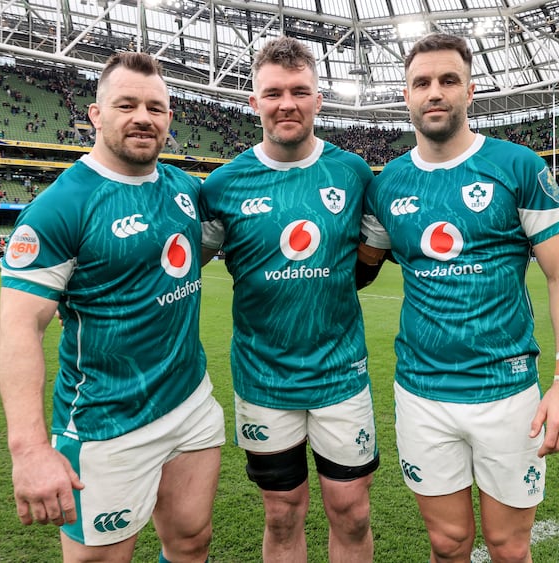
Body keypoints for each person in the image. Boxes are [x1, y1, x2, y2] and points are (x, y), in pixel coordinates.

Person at [360, 33, 559, 562]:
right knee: (448, 543)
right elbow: (359, 268)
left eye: (448, 80)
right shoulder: (387, 184)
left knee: (509, 548)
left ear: (470, 91)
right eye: (422, 82)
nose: (434, 92)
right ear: (406, 95)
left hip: (507, 393)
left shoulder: (518, 167)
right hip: (422, 393)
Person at [0, 52, 225, 563]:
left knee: (192, 541)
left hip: (190, 404)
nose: (143, 116)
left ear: (169, 120)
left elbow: (193, 256)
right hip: (104, 422)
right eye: (126, 104)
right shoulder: (61, 207)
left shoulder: (186, 190)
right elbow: (17, 329)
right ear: (96, 115)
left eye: (155, 107)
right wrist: (30, 449)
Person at [199, 36, 379, 563]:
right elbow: (183, 268)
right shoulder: (224, 185)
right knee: (281, 513)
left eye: (300, 91)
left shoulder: (352, 173)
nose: (287, 103)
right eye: (273, 92)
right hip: (263, 379)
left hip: (340, 375)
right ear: (253, 102)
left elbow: (366, 261)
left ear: (319, 99)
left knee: (352, 510)